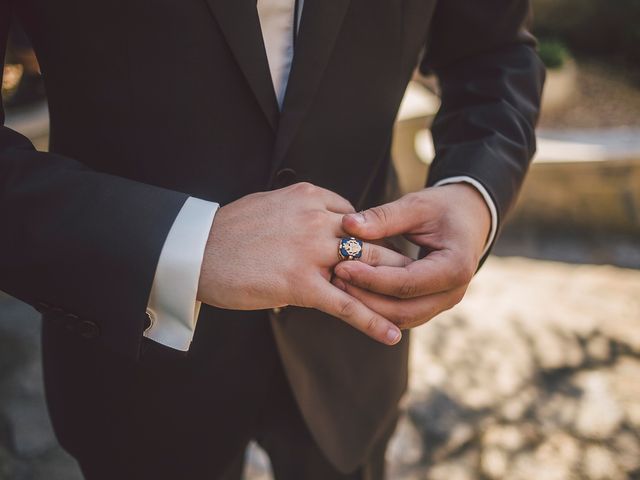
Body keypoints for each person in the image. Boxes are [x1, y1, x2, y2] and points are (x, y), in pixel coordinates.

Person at [0, 0, 544, 478]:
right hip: (136, 368)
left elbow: (493, 53)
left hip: (355, 350)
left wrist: (475, 191)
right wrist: (191, 245)